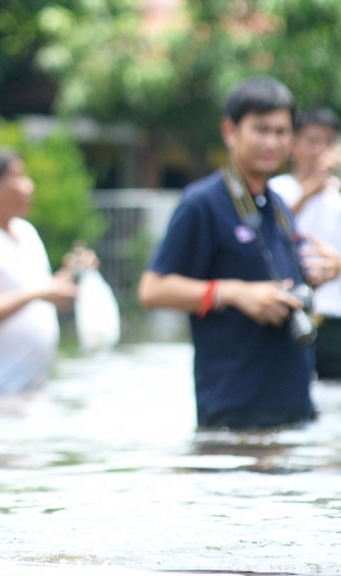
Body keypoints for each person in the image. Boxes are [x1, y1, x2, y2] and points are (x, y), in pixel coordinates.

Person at [138, 76, 341, 430]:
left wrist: (324, 275)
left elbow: (279, 286)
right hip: (235, 416)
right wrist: (234, 293)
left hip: (294, 408)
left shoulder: (278, 205)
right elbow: (152, 290)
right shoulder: (202, 203)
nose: (272, 142)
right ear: (230, 131)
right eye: (260, 130)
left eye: (281, 131)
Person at [0, 148, 96, 394]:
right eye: (19, 176)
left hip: (34, 392)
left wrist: (75, 272)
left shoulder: (26, 233)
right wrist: (37, 293)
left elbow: (43, 289)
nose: (29, 186)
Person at [269, 107, 341, 380]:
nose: (321, 150)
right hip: (290, 312)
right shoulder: (277, 189)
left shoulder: (337, 193)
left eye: (328, 142)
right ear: (294, 145)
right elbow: (272, 232)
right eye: (312, 141)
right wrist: (311, 188)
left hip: (334, 317)